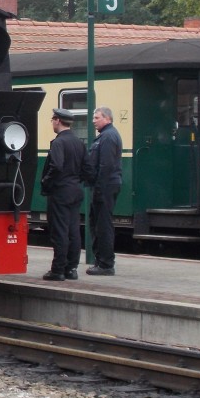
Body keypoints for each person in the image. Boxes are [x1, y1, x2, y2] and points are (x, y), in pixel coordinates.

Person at [39, 108, 86, 281]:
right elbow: (87, 168)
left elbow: (56, 166)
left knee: (59, 231)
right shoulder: (79, 142)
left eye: (53, 120)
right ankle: (71, 269)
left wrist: (46, 181)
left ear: (57, 120)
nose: (52, 123)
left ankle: (57, 270)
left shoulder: (58, 143)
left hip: (60, 192)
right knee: (73, 230)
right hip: (75, 190)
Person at [83, 105, 123, 276]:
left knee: (102, 225)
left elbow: (105, 166)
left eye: (96, 118)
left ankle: (106, 264)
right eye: (93, 118)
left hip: (105, 187)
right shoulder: (105, 136)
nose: (93, 121)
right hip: (104, 186)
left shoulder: (107, 137)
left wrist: (98, 189)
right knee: (97, 223)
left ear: (107, 118)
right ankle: (101, 261)